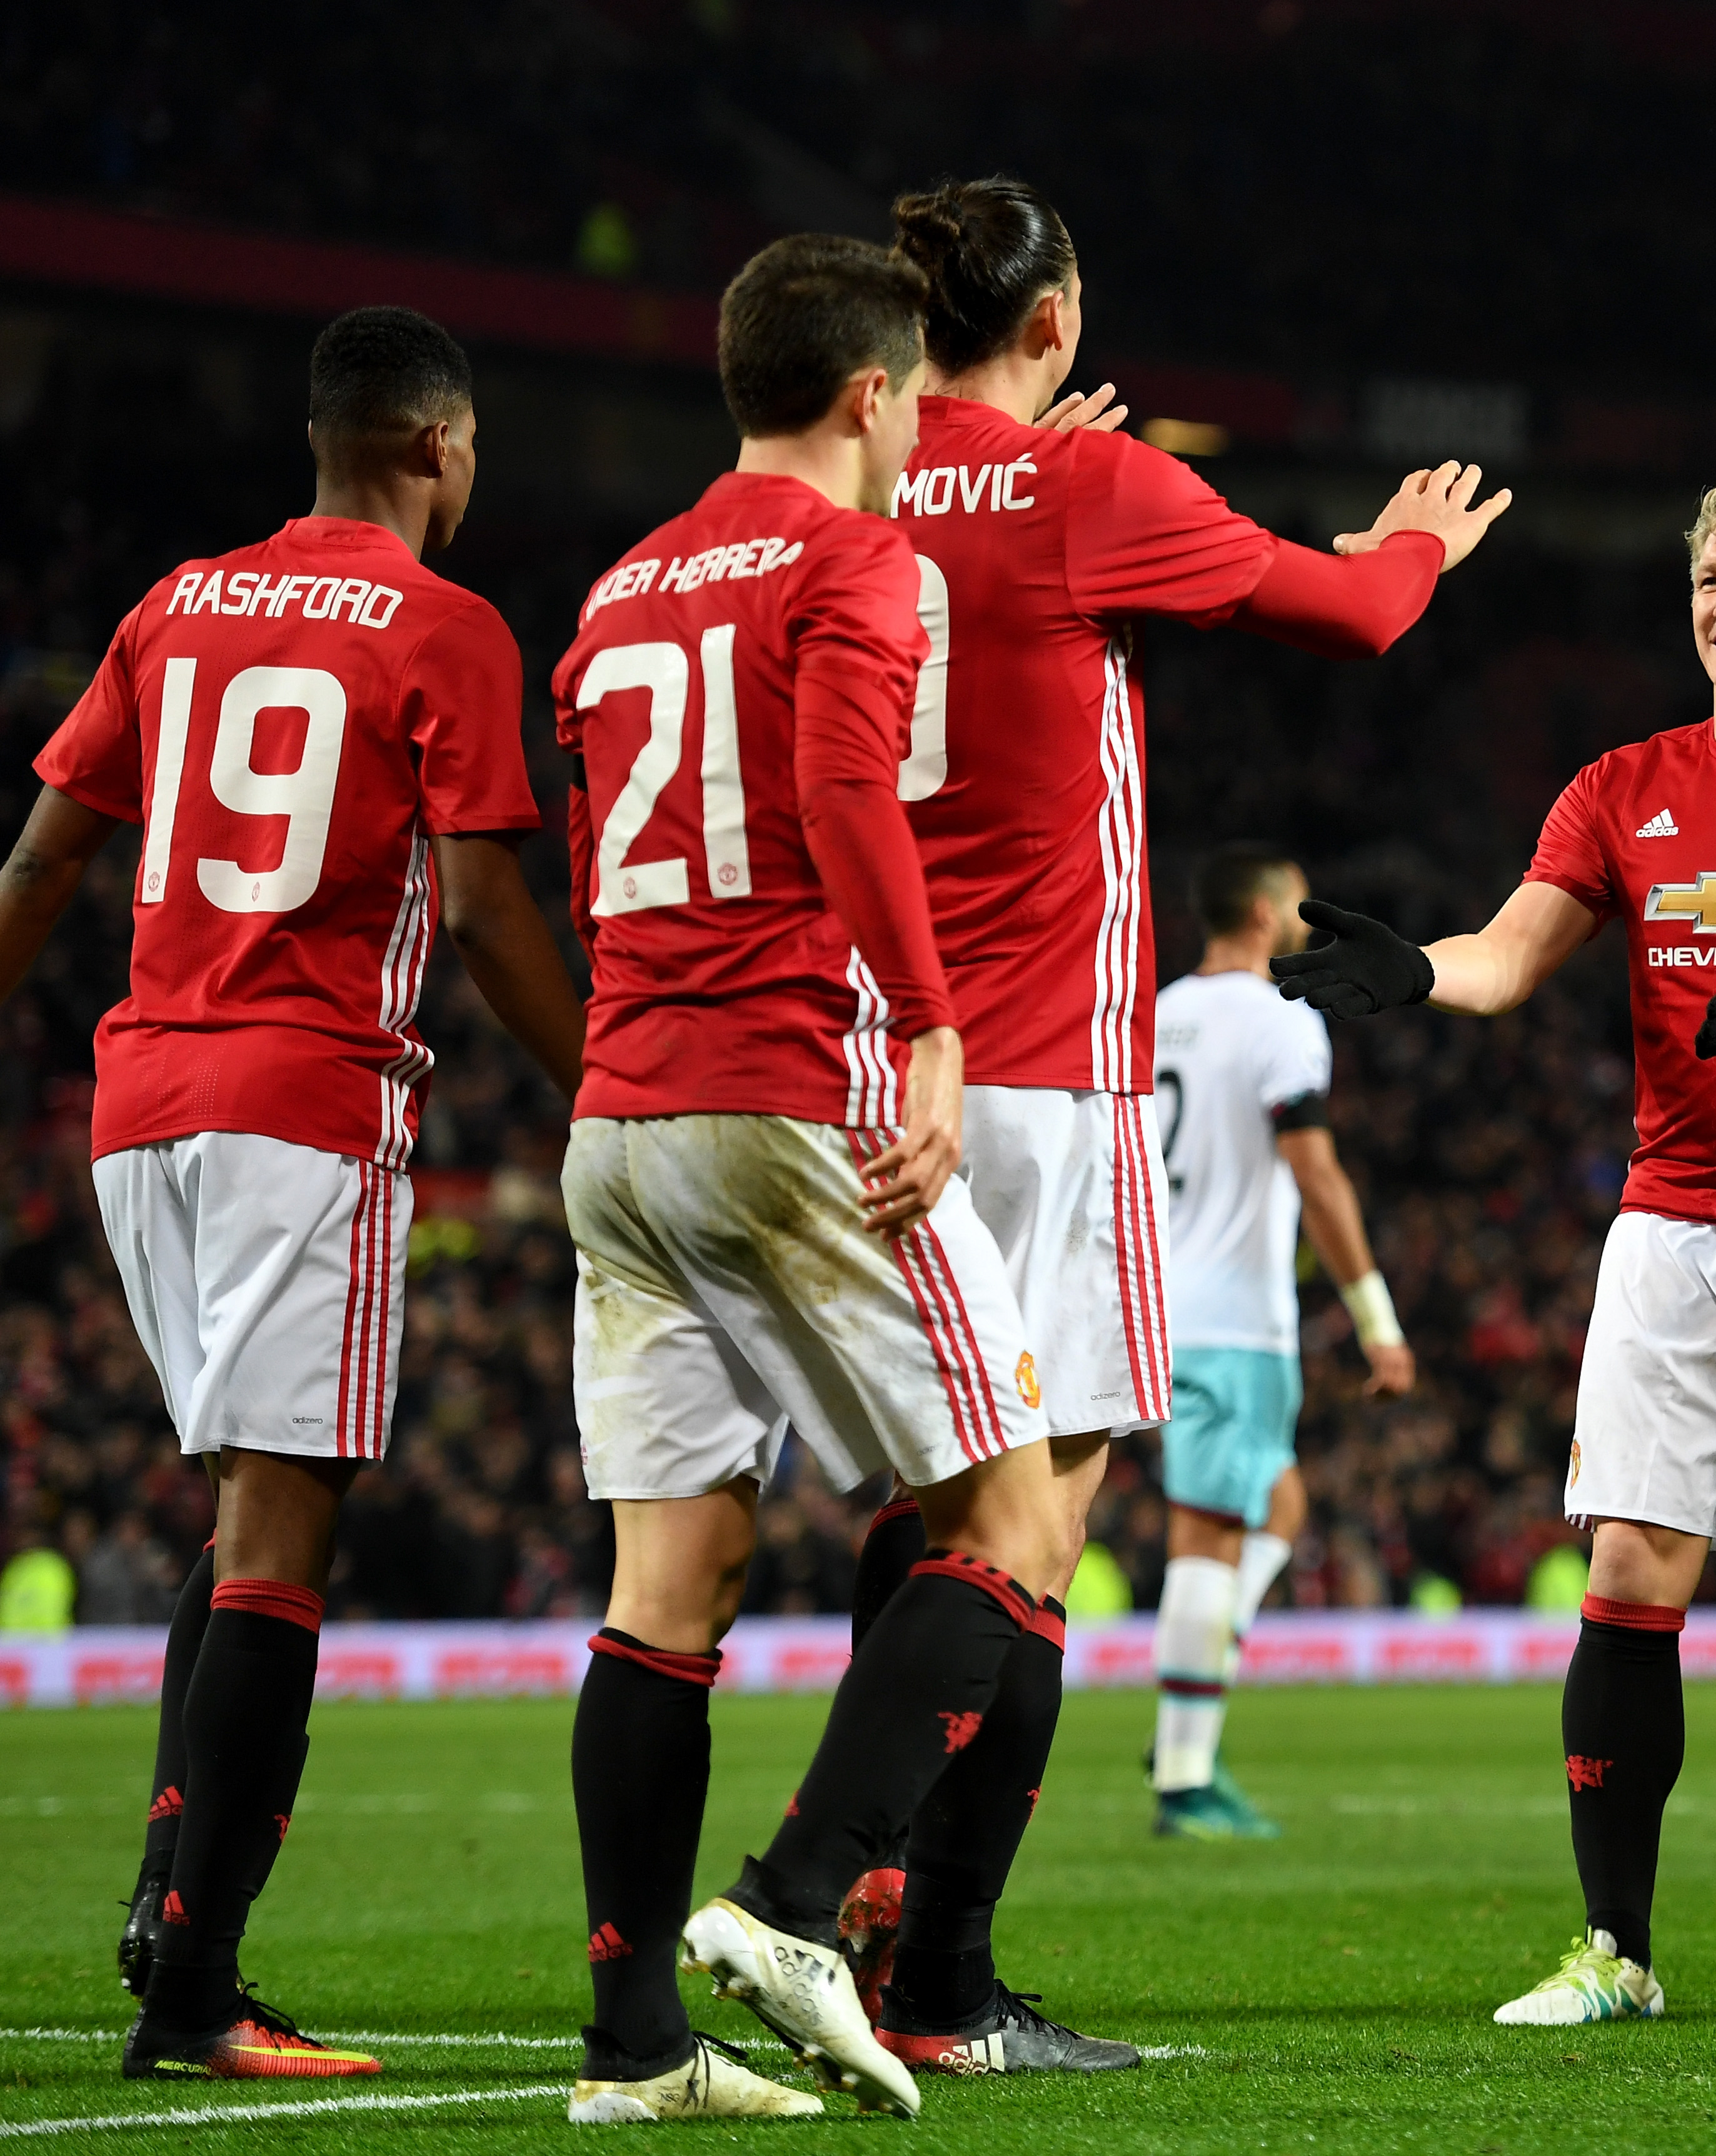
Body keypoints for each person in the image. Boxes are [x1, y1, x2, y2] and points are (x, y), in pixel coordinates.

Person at [821, 173, 1507, 2068]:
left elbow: (966, 527)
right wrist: (1416, 539)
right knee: (1033, 1538)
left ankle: (872, 1910)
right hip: (1045, 1068)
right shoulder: (1089, 491)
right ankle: (909, 1952)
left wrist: (1026, 460)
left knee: (927, 1493)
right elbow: (1355, 613)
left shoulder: (843, 481)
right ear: (1050, 328)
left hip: (876, 1065)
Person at [1273, 478, 1716, 2022]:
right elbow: (1512, 952)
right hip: (1674, 1227)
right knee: (1629, 1566)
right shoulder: (1623, 786)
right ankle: (1617, 1951)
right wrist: (1416, 971)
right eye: (1709, 580)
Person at [0, 306, 586, 2078]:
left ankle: (169, 1894)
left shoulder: (177, 603)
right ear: (435, 444)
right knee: (279, 1539)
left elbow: (42, 856)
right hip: (302, 1099)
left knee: (242, 1513)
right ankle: (195, 1989)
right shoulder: (445, 624)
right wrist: (608, 1084)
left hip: (138, 1106)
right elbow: (485, 915)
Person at [549, 233, 1089, 2123]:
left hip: (619, 1118)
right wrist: (930, 1024)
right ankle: (789, 1905)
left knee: (666, 1582)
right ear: (876, 392)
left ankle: (635, 2055)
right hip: (790, 1099)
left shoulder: (618, 591)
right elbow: (851, 790)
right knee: (1012, 1524)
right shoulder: (859, 559)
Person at [1146, 843, 1417, 1839]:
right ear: (1264, 912)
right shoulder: (1280, 1019)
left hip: (1163, 1301)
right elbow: (1316, 1172)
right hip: (1231, 1317)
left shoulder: (1156, 1013)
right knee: (1210, 1530)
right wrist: (1377, 1320)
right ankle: (1182, 1765)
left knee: (1275, 1503)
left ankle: (1193, 1693)